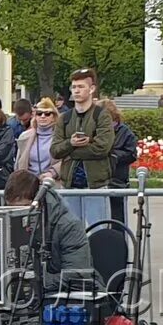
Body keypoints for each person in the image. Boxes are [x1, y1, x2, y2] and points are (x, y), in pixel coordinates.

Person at [1, 169, 95, 293]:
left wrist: (33, 282)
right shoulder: (10, 227)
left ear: (39, 203)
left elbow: (77, 274)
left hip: (67, 296)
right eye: (10, 208)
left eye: (23, 207)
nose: (16, 213)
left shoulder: (68, 225)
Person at [51, 68, 115, 225]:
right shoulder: (64, 118)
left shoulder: (101, 115)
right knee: (72, 231)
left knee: (98, 229)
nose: (76, 91)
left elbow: (102, 148)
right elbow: (55, 150)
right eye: (74, 87)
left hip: (96, 184)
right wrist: (70, 143)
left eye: (81, 87)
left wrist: (70, 152)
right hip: (70, 185)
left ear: (92, 89)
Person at [104, 99, 139, 226]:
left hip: (117, 182)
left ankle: (119, 243)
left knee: (117, 219)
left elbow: (132, 154)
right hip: (99, 181)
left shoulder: (125, 132)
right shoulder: (96, 130)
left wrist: (114, 155)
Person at [15, 98, 64, 185]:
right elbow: (18, 164)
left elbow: (66, 161)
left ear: (54, 116)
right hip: (28, 185)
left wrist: (52, 173)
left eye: (47, 114)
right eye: (39, 113)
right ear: (35, 116)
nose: (43, 116)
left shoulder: (62, 136)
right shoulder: (25, 136)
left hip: (53, 184)